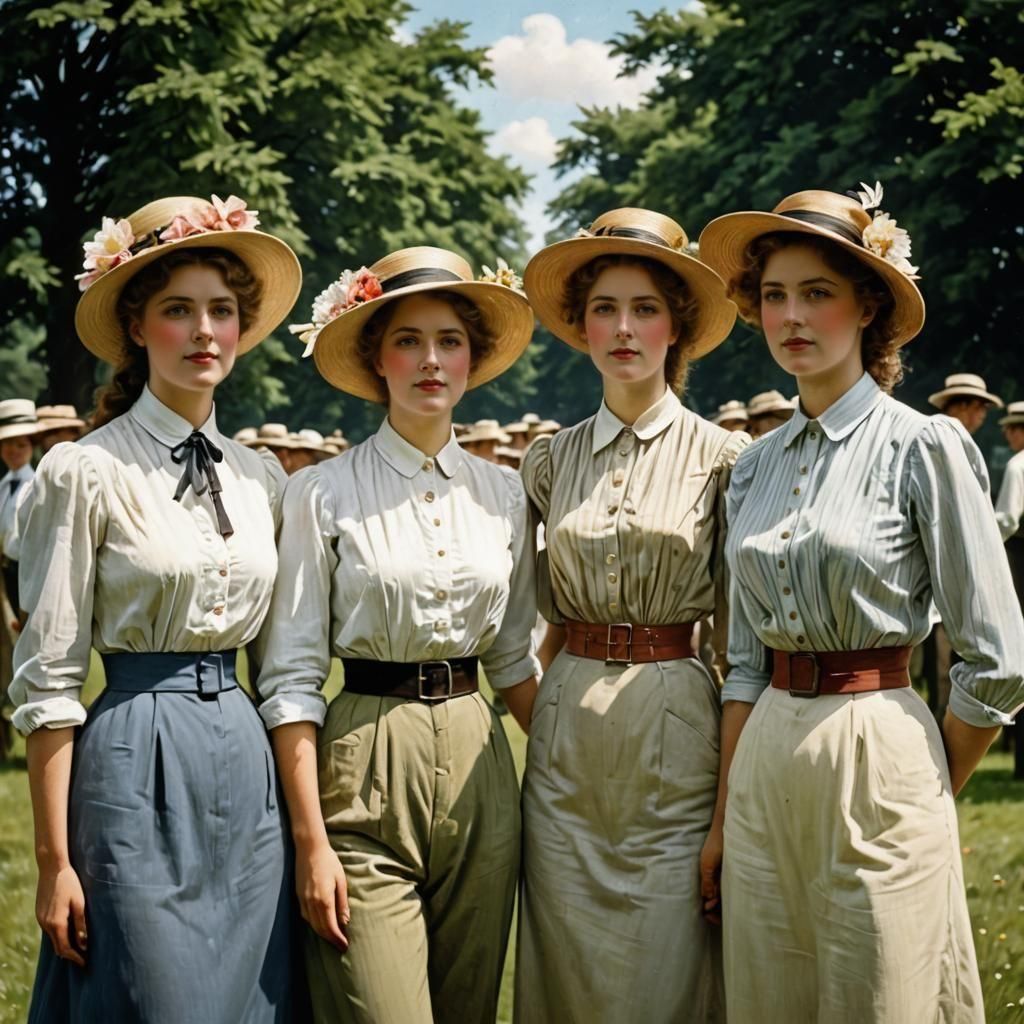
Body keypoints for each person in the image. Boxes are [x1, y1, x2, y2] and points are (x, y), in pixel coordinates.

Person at [699, 183, 1024, 1022]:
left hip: (881, 738)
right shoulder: (751, 469)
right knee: (773, 991)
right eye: (774, 296)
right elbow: (740, 663)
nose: (791, 316)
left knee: (882, 991)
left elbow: (998, 656)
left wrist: (925, 781)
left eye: (817, 292)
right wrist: (725, 817)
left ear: (867, 305)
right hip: (768, 749)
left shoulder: (925, 445)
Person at [10, 193, 303, 1022]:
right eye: (179, 311)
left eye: (223, 310)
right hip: (133, 758)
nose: (205, 330)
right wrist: (55, 860)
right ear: (138, 328)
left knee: (252, 1002)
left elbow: (284, 668)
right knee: (153, 997)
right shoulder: (84, 471)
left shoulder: (263, 478)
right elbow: (51, 678)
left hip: (246, 769)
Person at [260, 245, 539, 1023]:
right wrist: (310, 843)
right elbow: (288, 680)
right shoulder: (320, 492)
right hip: (361, 760)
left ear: (472, 360)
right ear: (376, 358)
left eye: (449, 340)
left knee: (468, 1009)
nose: (430, 360)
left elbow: (514, 655)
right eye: (408, 340)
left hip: (482, 766)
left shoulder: (506, 494)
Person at [515, 207, 746, 1023]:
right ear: (580, 325)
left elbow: (742, 646)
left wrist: (723, 804)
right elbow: (514, 630)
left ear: (676, 326)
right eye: (605, 308)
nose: (623, 328)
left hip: (677, 724)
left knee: (671, 967)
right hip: (565, 742)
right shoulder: (545, 459)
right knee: (564, 964)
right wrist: (546, 713)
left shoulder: (724, 460)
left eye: (645, 308)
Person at [0, 399, 41, 619]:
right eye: (7, 444)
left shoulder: (37, 484)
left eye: (21, 445)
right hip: (6, 569)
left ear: (32, 447)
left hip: (26, 569)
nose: (13, 451)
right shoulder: (3, 486)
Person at [928, 372, 1003, 435]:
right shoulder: (935, 432)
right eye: (980, 406)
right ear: (963, 405)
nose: (983, 414)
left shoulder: (950, 434)